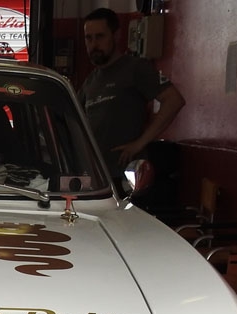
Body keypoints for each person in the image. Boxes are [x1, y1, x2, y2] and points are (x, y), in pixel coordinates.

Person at [78, 7, 185, 185]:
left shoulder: (135, 68)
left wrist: (139, 143)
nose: (94, 44)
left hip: (128, 178)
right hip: (98, 177)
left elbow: (174, 101)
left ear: (116, 36)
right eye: (89, 38)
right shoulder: (90, 81)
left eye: (100, 36)